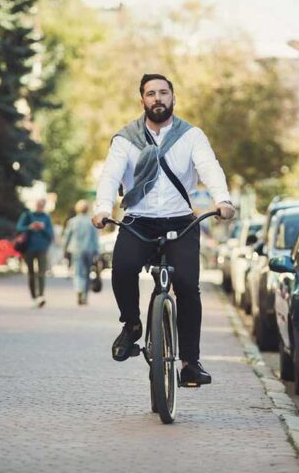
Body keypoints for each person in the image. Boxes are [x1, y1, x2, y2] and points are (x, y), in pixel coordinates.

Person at [92, 73, 235, 386]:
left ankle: (190, 362)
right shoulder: (125, 139)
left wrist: (222, 200)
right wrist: (103, 208)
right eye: (150, 93)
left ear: (173, 97)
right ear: (142, 100)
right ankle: (131, 325)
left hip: (180, 220)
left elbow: (209, 167)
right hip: (138, 219)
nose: (157, 98)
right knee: (123, 267)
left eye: (163, 93)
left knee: (187, 286)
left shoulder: (191, 136)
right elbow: (110, 176)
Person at [16, 198, 53, 308]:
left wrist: (42, 228)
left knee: (41, 272)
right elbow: (19, 228)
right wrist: (30, 227)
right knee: (31, 274)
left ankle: (41, 296)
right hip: (28, 248)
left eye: (42, 205)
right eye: (38, 204)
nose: (39, 207)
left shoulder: (46, 217)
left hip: (42, 248)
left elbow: (50, 234)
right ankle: (34, 297)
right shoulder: (27, 215)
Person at [63, 200, 99, 305]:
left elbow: (67, 237)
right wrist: (97, 252)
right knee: (87, 273)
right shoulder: (91, 221)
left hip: (76, 250)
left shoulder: (72, 221)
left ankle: (79, 289)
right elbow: (95, 238)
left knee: (78, 272)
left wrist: (65, 249)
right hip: (89, 250)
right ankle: (85, 296)